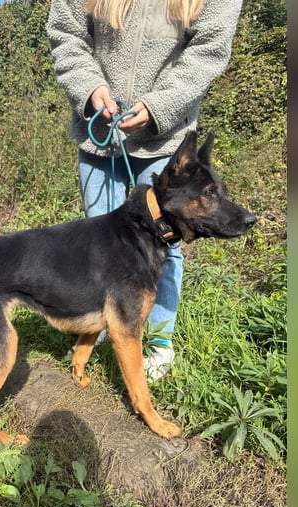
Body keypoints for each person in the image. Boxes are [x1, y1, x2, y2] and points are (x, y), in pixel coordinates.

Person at [47, 0, 243, 380]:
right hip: (101, 133)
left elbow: (209, 50)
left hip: (166, 140)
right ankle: (101, 326)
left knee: (164, 246)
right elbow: (66, 32)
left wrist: (158, 107)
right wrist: (91, 89)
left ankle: (156, 340)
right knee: (100, 242)